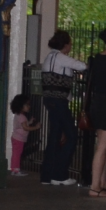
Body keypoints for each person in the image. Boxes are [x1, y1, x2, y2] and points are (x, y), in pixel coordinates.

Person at [38, 30, 86, 186]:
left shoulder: (49, 58)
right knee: (72, 135)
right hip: (59, 101)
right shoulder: (60, 58)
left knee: (55, 136)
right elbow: (82, 66)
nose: (71, 46)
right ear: (65, 45)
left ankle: (47, 175)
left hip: (49, 100)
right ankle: (59, 174)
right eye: (70, 43)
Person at [86, 28, 106, 197]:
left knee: (102, 146)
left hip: (97, 103)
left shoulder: (97, 58)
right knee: (103, 147)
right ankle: (95, 186)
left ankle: (102, 183)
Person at [8, 94, 37, 176]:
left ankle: (14, 169)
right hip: (19, 139)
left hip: (17, 138)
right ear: (21, 106)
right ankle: (16, 169)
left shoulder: (19, 115)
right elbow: (25, 128)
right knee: (17, 154)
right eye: (27, 104)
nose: (29, 106)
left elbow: (24, 125)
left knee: (16, 153)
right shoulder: (22, 117)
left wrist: (30, 122)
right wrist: (36, 127)